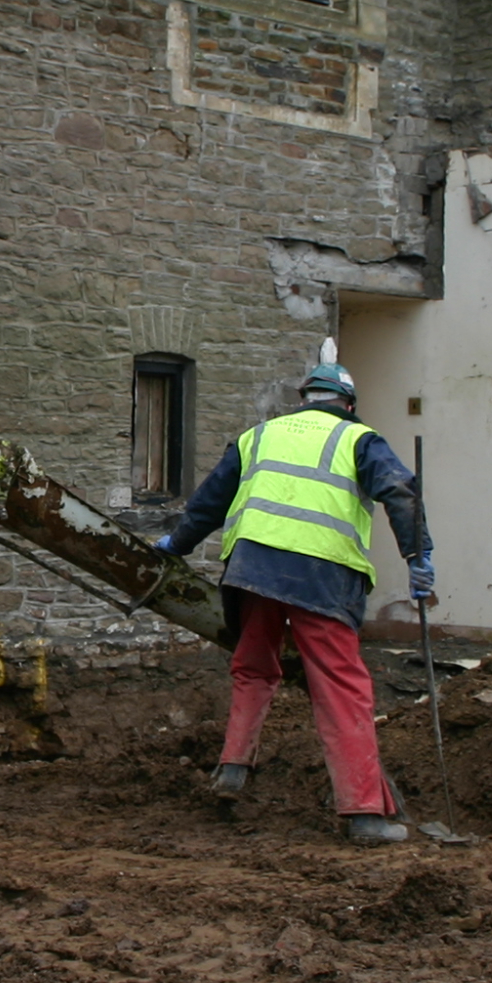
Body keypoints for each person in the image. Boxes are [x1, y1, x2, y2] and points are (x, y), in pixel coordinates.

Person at [155, 347, 434, 846]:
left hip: (252, 571)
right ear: (349, 404)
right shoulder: (358, 438)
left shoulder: (257, 437)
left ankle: (233, 769)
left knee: (255, 666)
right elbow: (400, 492)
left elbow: (208, 503)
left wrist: (175, 546)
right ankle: (365, 815)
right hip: (320, 578)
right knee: (340, 687)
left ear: (305, 401)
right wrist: (418, 559)